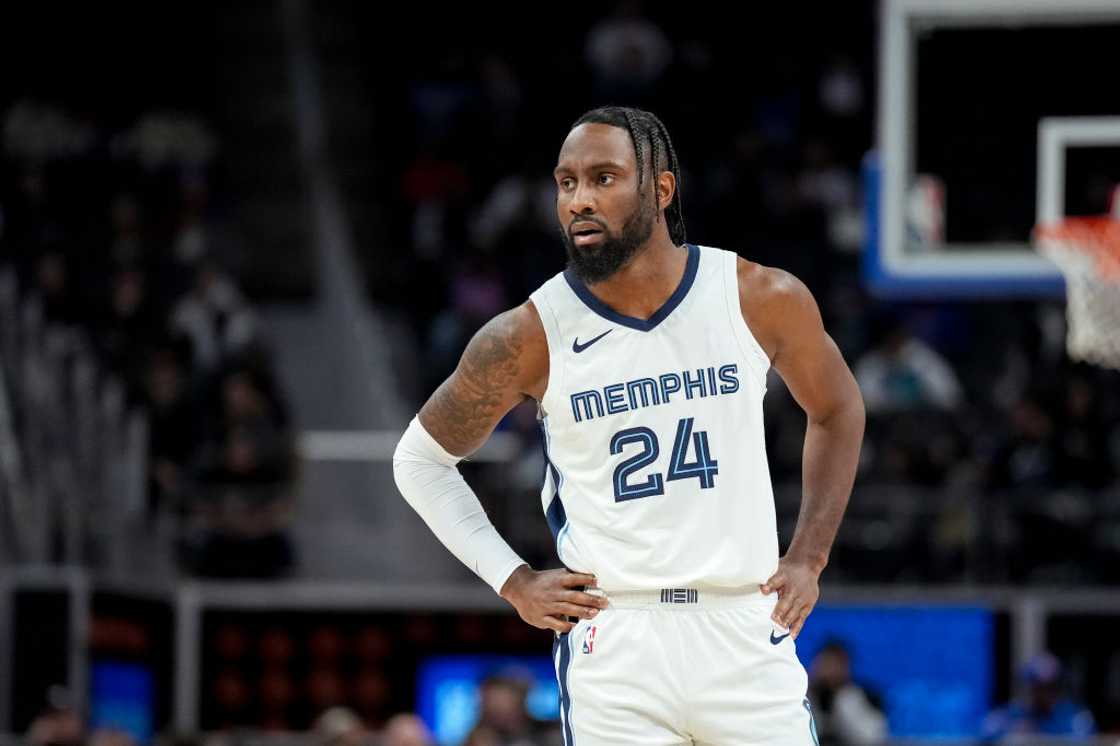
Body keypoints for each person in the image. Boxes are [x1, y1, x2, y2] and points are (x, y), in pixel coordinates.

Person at [394, 106, 865, 743]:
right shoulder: (529, 335)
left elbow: (837, 409)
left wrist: (809, 555)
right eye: (566, 184)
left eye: (603, 179)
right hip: (615, 641)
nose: (579, 201)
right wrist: (512, 580)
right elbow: (419, 461)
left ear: (661, 189)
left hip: (744, 627)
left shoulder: (758, 296)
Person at [980, 652, 1095, 740]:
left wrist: (1038, 734)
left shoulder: (1074, 716)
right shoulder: (1016, 712)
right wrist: (1011, 731)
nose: (1043, 693)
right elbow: (985, 733)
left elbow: (1083, 740)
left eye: (1050, 687)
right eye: (1037, 687)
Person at [807, 640, 887, 744]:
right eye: (826, 663)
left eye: (835, 664)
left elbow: (874, 737)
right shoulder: (805, 695)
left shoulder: (863, 696)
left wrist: (842, 699)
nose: (830, 671)